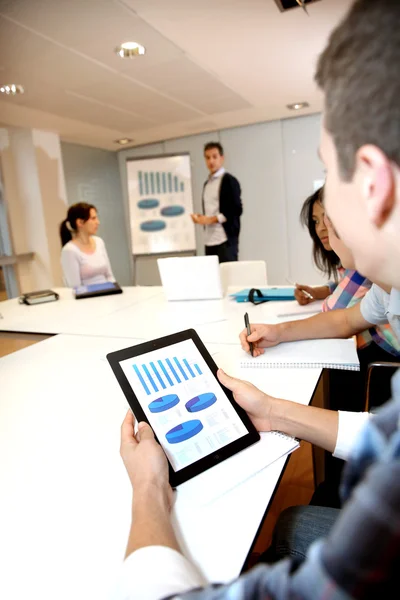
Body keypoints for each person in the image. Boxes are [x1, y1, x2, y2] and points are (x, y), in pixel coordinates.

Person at [113, 1, 400, 598]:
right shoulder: (390, 295)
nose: (325, 219)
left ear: (373, 184)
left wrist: (148, 489)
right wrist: (273, 411)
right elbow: (390, 437)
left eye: (328, 175)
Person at [190, 142, 242, 262]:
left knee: (227, 277)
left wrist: (209, 220)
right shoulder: (207, 184)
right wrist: (201, 218)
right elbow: (211, 210)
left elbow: (236, 209)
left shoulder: (229, 181)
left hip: (224, 239)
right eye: (207, 158)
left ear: (221, 158)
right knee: (213, 277)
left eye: (214, 156)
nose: (211, 161)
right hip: (209, 240)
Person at [294, 186, 341, 305]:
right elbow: (344, 282)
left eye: (328, 218)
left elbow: (335, 307)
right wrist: (316, 292)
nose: (320, 229)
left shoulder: (363, 270)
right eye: (316, 221)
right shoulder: (348, 268)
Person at [59, 203, 115, 288]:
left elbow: (109, 276)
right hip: (88, 298)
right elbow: (75, 287)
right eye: (93, 218)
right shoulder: (69, 250)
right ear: (80, 222)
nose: (98, 222)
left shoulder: (99, 242)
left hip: (108, 294)